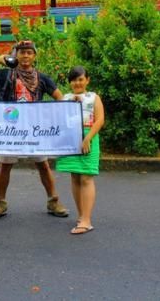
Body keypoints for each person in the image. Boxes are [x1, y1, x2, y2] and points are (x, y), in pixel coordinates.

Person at [0, 40, 70, 220]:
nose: (25, 55)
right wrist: (0, 59)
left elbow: (60, 98)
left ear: (34, 56)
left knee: (43, 165)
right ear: (15, 55)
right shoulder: (6, 75)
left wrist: (67, 112)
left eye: (29, 52)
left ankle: (53, 201)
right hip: (11, 131)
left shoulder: (42, 79)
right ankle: (0, 203)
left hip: (34, 131)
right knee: (5, 166)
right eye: (22, 52)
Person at [55, 66, 105, 235]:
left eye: (80, 79)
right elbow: (60, 120)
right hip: (70, 138)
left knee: (86, 177)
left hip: (88, 137)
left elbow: (100, 120)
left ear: (87, 80)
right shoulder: (65, 98)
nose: (77, 83)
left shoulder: (94, 97)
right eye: (74, 80)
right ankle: (82, 216)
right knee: (75, 176)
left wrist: (87, 138)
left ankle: (87, 221)